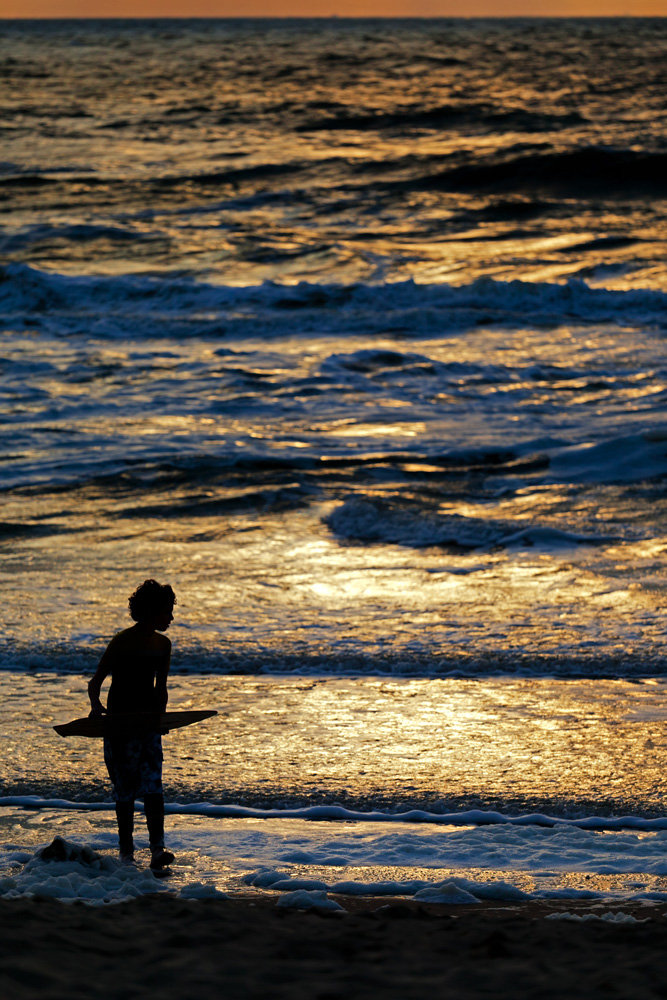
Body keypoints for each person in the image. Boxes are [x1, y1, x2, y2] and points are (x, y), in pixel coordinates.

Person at [88, 579, 176, 869]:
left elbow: (161, 687)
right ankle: (126, 853)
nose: (171, 618)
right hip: (121, 725)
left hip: (148, 725)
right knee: (125, 791)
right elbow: (96, 682)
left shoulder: (164, 645)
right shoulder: (122, 641)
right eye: (167, 611)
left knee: (153, 788)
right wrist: (96, 707)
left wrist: (160, 718)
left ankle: (157, 850)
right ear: (151, 611)